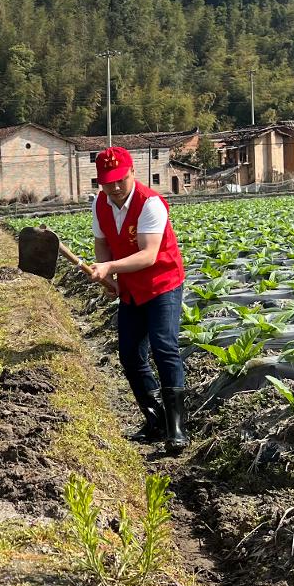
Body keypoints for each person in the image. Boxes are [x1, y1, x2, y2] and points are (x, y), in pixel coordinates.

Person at [85, 146, 188, 452]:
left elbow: (148, 254)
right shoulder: (100, 204)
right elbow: (101, 243)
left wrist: (110, 267)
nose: (115, 187)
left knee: (164, 346)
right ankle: (154, 419)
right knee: (129, 354)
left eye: (120, 179)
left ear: (132, 173)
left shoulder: (150, 204)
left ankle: (176, 427)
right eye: (108, 181)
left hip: (162, 284)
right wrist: (108, 278)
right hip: (131, 288)